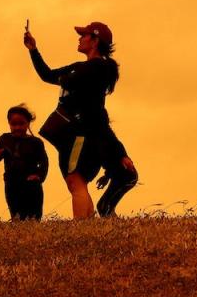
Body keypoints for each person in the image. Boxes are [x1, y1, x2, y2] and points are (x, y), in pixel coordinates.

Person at [23, 21, 138, 218]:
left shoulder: (99, 68)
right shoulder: (83, 68)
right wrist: (33, 50)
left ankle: (80, 228)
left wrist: (119, 152)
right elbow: (48, 75)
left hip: (81, 136)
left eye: (84, 35)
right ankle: (88, 227)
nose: (79, 38)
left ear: (95, 41)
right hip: (78, 135)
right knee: (78, 182)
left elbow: (97, 113)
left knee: (75, 181)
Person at [0, 105, 49, 221]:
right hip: (11, 183)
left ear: (28, 123)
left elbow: (44, 162)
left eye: (21, 124)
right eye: (14, 124)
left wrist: (39, 176)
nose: (17, 127)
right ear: (9, 123)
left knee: (34, 216)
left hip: (31, 185)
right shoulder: (4, 139)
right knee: (16, 215)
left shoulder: (35, 142)